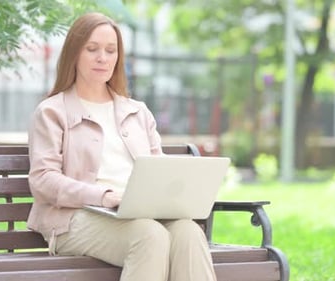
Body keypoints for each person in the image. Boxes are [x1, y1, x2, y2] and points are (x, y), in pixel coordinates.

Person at [27, 12, 217, 281]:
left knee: (188, 232)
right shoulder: (52, 111)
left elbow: (159, 168)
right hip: (74, 219)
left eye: (110, 50)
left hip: (140, 214)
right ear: (74, 54)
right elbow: (43, 180)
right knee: (149, 236)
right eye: (92, 49)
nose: (102, 58)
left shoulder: (137, 111)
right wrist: (103, 196)